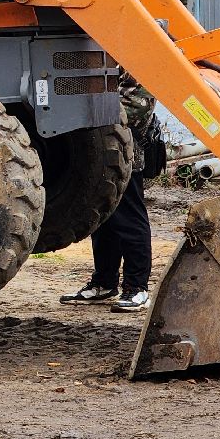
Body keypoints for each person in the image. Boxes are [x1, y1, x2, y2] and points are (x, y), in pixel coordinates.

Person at [60, 79, 158, 313]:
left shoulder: (138, 58)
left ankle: (137, 288)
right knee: (103, 220)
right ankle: (105, 282)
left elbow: (139, 106)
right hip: (102, 153)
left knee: (129, 218)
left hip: (123, 152)